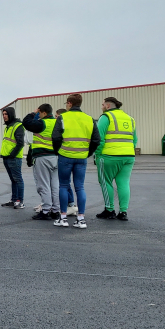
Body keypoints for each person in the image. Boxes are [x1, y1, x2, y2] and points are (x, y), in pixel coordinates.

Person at [51, 93, 100, 229]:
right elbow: (96, 140)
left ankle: (63, 217)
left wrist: (58, 151)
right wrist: (87, 153)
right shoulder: (89, 119)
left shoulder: (63, 117)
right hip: (81, 158)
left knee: (63, 185)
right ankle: (81, 219)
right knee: (80, 187)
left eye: (66, 103)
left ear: (70, 103)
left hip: (65, 156)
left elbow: (55, 137)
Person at [95, 96, 137, 221]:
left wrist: (97, 154)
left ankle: (109, 210)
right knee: (123, 183)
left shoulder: (106, 117)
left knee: (105, 182)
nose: (102, 107)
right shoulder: (130, 119)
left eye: (103, 104)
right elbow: (135, 140)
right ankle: (123, 212)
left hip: (109, 156)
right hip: (128, 156)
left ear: (108, 106)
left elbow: (99, 138)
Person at [22, 104, 61, 221]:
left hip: (43, 157)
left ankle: (45, 211)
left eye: (39, 113)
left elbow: (26, 122)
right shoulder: (57, 123)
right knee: (55, 185)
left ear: (43, 113)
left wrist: (33, 113)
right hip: (56, 157)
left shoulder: (42, 123)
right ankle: (55, 210)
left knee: (43, 185)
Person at [0, 107, 26, 208]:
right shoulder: (8, 126)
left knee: (18, 179)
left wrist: (12, 155)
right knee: (13, 180)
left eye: (6, 114)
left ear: (11, 114)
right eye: (3, 114)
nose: (4, 116)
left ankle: (20, 201)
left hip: (13, 158)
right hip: (6, 157)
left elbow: (20, 143)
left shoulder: (18, 126)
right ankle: (14, 200)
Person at [55, 107, 76, 216]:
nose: (55, 118)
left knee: (64, 183)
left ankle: (70, 206)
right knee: (69, 183)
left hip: (65, 155)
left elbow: (57, 138)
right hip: (76, 155)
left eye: (56, 116)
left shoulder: (62, 125)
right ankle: (71, 204)